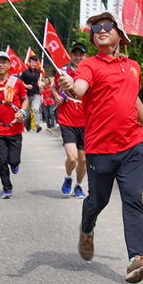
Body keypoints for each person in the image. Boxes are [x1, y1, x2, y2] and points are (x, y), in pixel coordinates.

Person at [57, 12, 143, 284]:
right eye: (95, 28)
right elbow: (80, 88)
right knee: (98, 200)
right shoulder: (89, 65)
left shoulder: (133, 67)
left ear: (120, 35)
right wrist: (70, 86)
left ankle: (137, 259)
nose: (100, 30)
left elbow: (133, 98)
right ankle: (87, 228)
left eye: (106, 26)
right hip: (100, 148)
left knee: (133, 197)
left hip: (132, 144)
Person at [0, 50, 28, 199]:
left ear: (9, 65)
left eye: (4, 62)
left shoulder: (17, 82)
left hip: (15, 128)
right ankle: (6, 187)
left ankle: (15, 163)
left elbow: (25, 99)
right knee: (1, 161)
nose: (1, 65)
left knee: (13, 161)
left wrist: (22, 111)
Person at [55, 41, 88, 199]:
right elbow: (54, 87)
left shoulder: (89, 74)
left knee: (83, 160)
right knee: (72, 157)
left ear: (86, 56)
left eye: (81, 54)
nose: (78, 57)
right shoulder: (62, 72)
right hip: (67, 120)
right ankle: (68, 177)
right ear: (70, 55)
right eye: (75, 54)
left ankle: (79, 186)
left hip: (86, 123)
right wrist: (56, 96)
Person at [19, 56, 44, 133]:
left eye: (34, 62)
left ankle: (37, 125)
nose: (33, 63)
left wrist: (40, 86)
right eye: (32, 62)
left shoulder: (38, 72)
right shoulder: (25, 72)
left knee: (36, 109)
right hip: (27, 94)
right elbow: (20, 82)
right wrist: (27, 86)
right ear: (29, 63)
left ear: (36, 63)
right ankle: (23, 126)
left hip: (35, 93)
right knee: (27, 112)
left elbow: (38, 80)